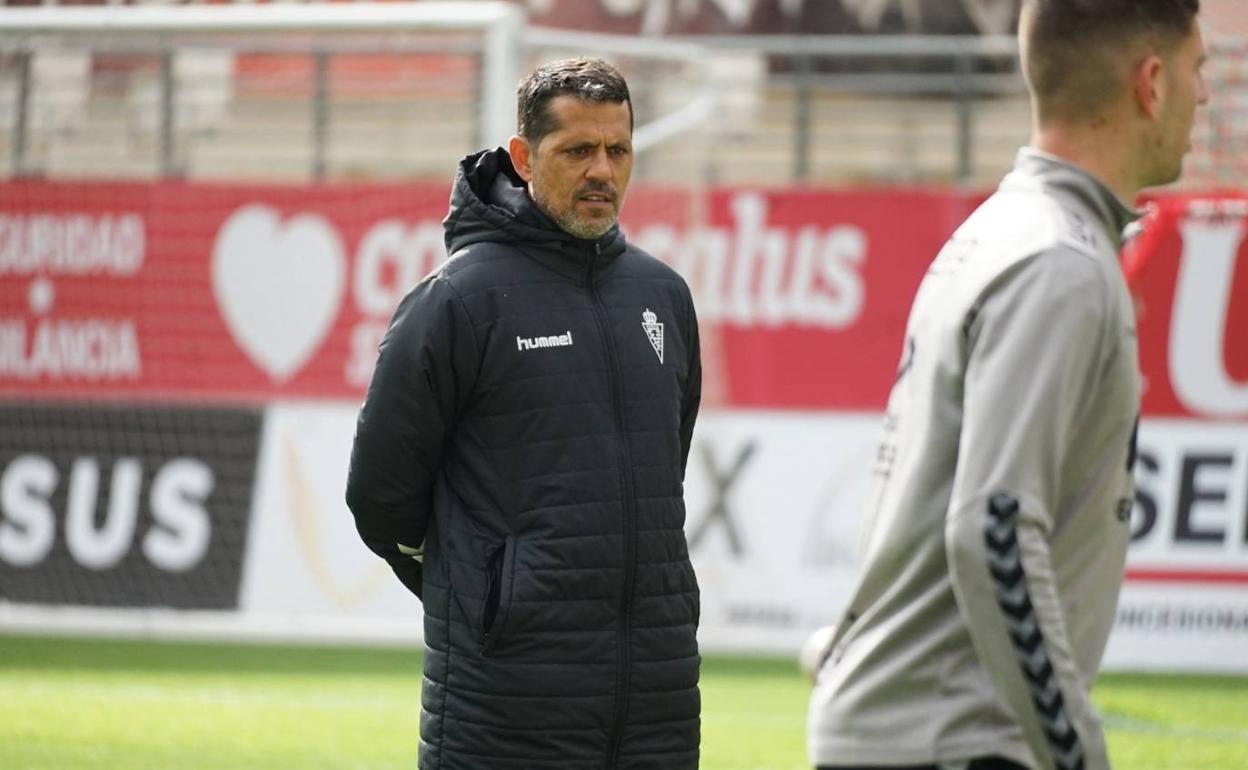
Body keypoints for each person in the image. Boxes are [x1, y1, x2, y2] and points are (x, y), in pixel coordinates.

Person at [807, 2, 1208, 769]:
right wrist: (1076, 753)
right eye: (1200, 71)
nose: (1207, 96)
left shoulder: (1002, 233)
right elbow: (992, 529)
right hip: (955, 743)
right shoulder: (1057, 263)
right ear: (1151, 84)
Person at [345, 58, 702, 770]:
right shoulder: (457, 301)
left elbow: (667, 469)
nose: (601, 170)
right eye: (577, 151)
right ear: (523, 157)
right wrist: (489, 590)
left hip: (657, 703)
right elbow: (381, 499)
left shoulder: (662, 295)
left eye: (617, 150)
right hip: (506, 707)